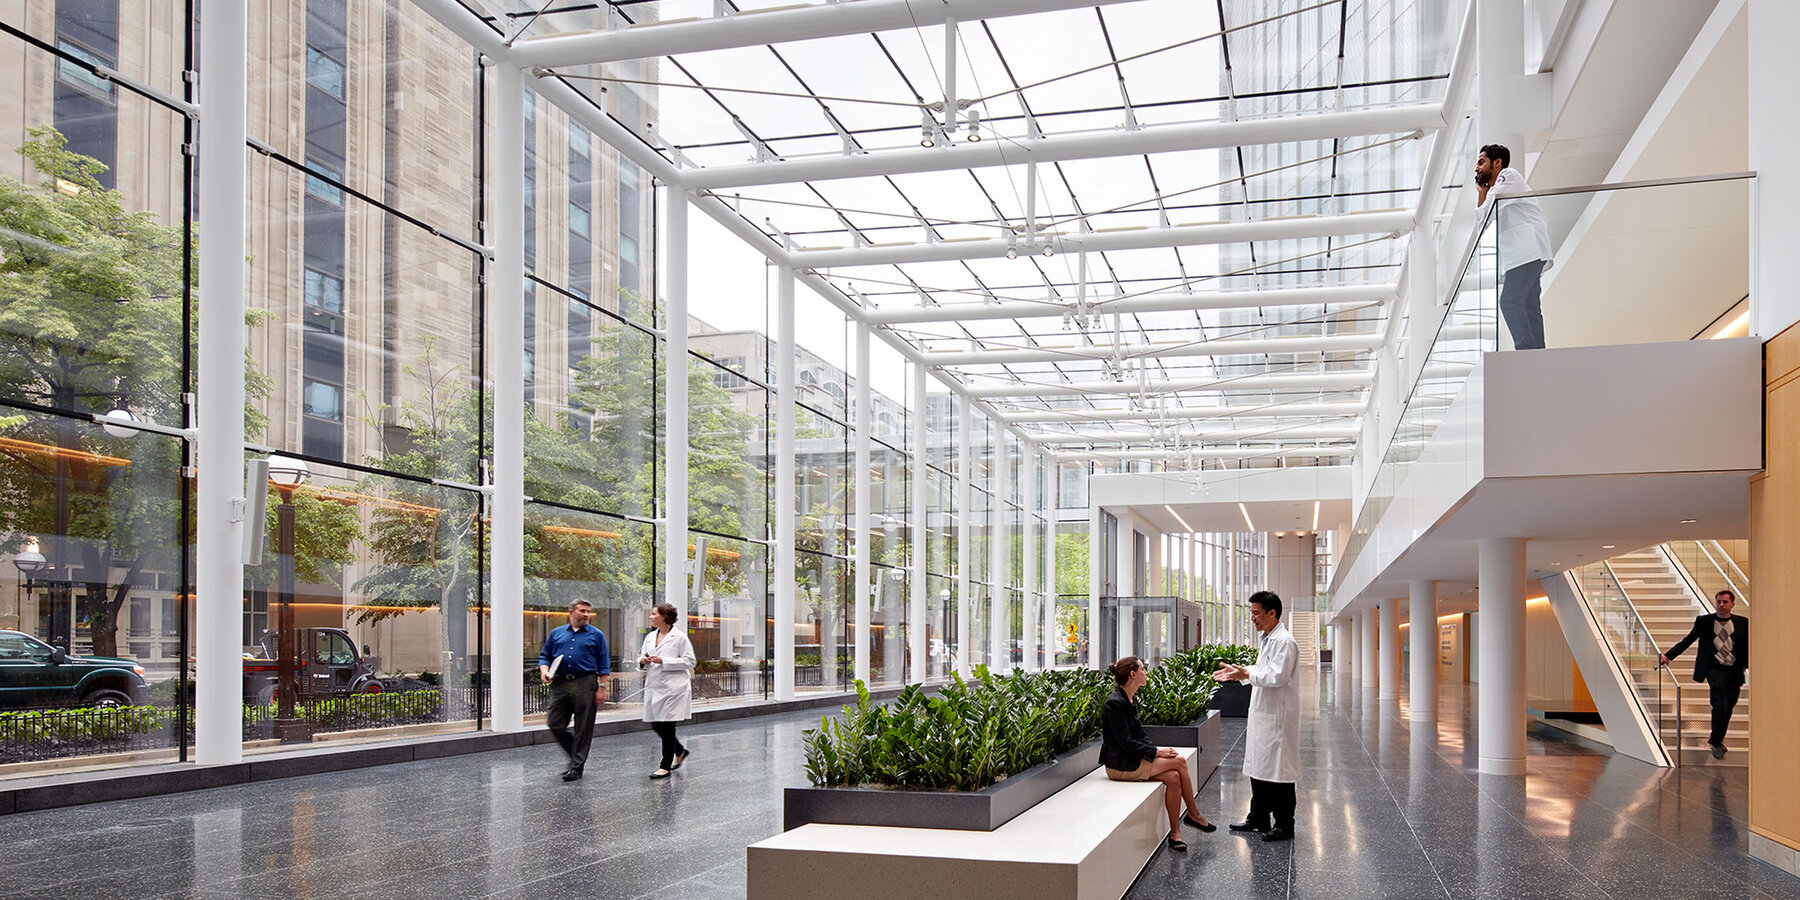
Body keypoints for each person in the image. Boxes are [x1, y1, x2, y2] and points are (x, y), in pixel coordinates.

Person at [1101, 655, 1215, 852]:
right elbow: (1125, 742)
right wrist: (1156, 752)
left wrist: (1156, 753)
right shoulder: (1115, 703)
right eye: (1143, 669)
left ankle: (1175, 833)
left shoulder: (1128, 698)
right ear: (1133, 674)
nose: (1146, 672)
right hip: (1120, 764)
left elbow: (1139, 734)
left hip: (1132, 758)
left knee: (1173, 777)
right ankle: (1194, 814)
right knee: (1179, 761)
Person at [1214, 590, 1299, 842]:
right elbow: (1264, 670)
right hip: (1264, 715)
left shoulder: (1283, 641)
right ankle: (1258, 818)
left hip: (1277, 718)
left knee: (1280, 773)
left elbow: (1278, 676)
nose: (1252, 618)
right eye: (1251, 613)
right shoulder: (1268, 638)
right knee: (1260, 768)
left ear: (1271, 613)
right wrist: (1242, 672)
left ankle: (1285, 825)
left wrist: (1247, 675)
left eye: (1255, 613)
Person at [1475, 143, 1553, 350]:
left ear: (1497, 163)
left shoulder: (1507, 176)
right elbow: (1483, 223)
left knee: (1509, 301)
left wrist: (1484, 194)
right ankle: (1537, 352)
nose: (1477, 168)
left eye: (1482, 162)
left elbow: (1486, 214)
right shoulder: (1497, 188)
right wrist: (1482, 192)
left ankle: (1525, 351)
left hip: (1527, 251)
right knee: (1529, 305)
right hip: (1526, 253)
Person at [1659, 589, 1749, 759]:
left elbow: (1748, 646)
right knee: (1720, 704)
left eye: (1725, 602)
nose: (1721, 605)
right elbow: (1688, 640)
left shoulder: (1743, 623)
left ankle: (1717, 738)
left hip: (1734, 671)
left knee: (1729, 707)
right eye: (1719, 602)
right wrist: (1669, 656)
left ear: (1732, 604)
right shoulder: (1705, 622)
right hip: (1714, 669)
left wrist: (1746, 665)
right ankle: (1715, 741)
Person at [539, 600, 610, 782]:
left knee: (583, 726)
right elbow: (545, 656)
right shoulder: (557, 633)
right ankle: (575, 755)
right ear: (571, 612)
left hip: (585, 682)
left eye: (588, 611)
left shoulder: (597, 635)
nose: (586, 614)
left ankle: (577, 767)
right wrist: (544, 670)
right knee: (554, 723)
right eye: (582, 611)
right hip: (561, 683)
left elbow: (604, 663)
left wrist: (602, 687)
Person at [639, 602, 696, 779]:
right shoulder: (650, 637)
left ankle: (665, 766)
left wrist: (664, 661)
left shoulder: (679, 638)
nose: (650, 617)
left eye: (654, 614)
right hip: (655, 685)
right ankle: (679, 751)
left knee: (668, 724)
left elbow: (690, 661)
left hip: (674, 688)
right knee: (656, 723)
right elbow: (643, 656)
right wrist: (643, 661)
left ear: (664, 617)